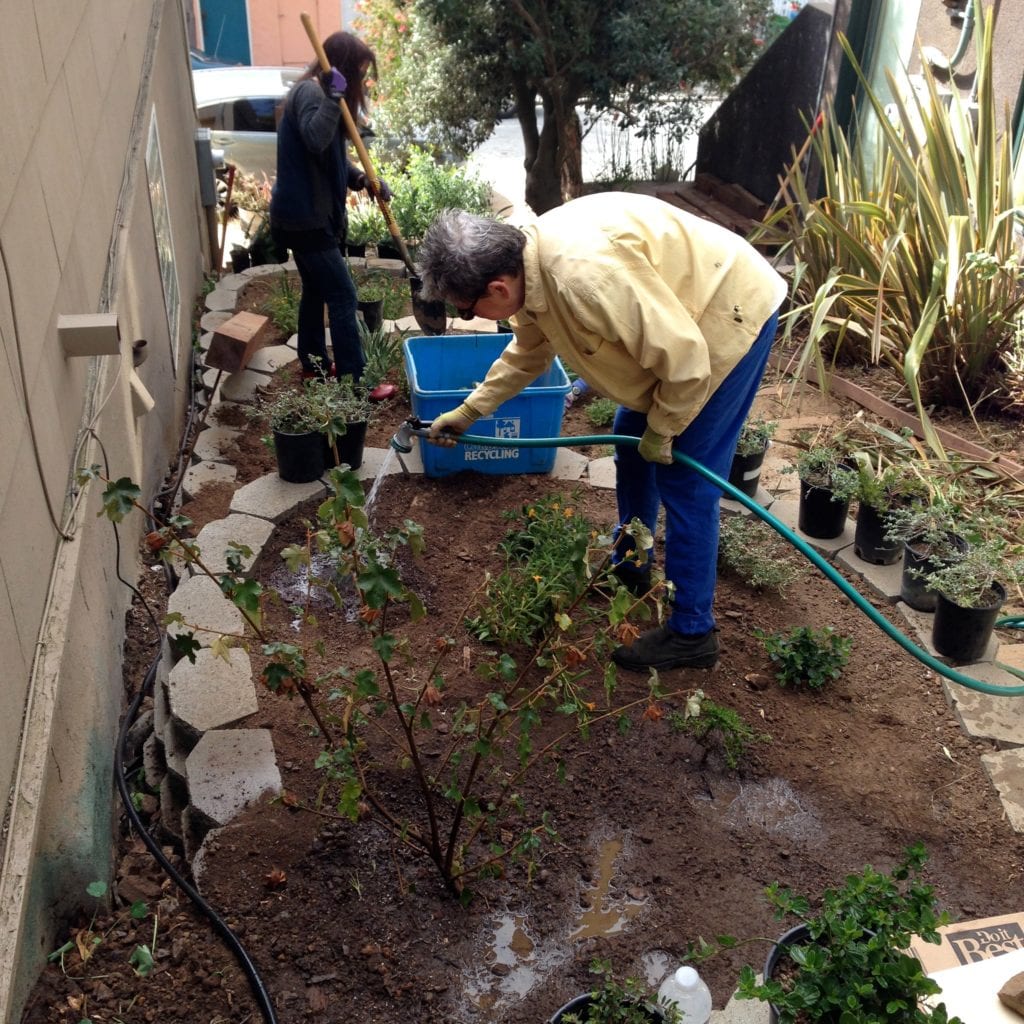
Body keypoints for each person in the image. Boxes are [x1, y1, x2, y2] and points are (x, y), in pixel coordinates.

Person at [414, 192, 786, 672]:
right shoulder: (528, 267)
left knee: (683, 479)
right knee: (630, 437)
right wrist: (469, 412)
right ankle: (633, 561)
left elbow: (688, 363)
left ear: (498, 288)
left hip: (728, 318)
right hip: (682, 321)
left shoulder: (584, 280)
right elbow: (528, 352)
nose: (468, 318)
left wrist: (666, 429)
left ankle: (693, 631)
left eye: (466, 310)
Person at [269, 31, 389, 382]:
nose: (361, 82)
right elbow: (314, 138)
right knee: (342, 295)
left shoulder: (326, 98)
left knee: (317, 291)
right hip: (304, 219)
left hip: (306, 217)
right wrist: (332, 97)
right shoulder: (312, 92)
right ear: (343, 69)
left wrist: (363, 180)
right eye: (360, 73)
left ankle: (313, 365)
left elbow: (331, 161)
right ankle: (355, 379)